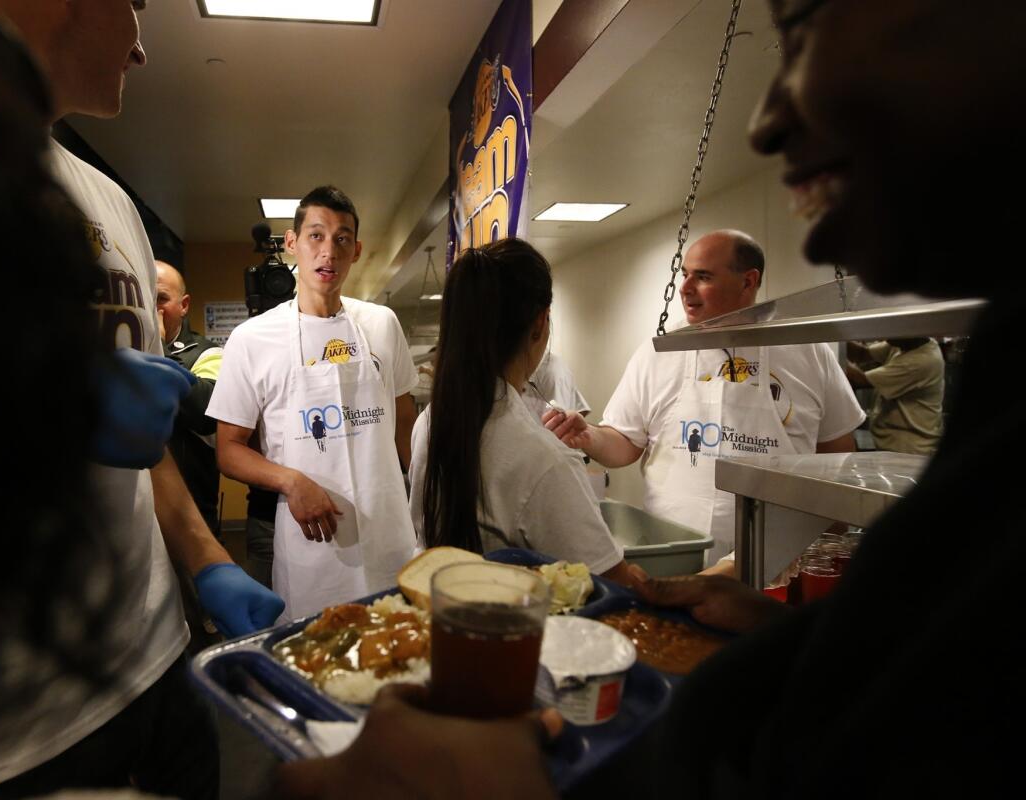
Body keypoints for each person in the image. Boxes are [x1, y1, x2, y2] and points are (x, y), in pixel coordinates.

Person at [273, 0, 1025, 796]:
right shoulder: (999, 378)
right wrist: (783, 630)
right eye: (686, 276)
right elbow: (624, 445)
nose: (767, 121)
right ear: (537, 328)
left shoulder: (831, 358)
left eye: (802, 28)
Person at [0, 0, 282, 796]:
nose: (141, 48)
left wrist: (206, 562)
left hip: (154, 664)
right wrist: (38, 410)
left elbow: (143, 446)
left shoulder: (109, 204)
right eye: (136, 5)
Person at [543, 229, 864, 569]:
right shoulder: (659, 352)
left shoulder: (807, 350)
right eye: (684, 275)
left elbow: (837, 455)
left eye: (703, 276)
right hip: (674, 552)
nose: (685, 288)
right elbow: (625, 442)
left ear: (748, 281)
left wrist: (834, 545)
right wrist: (588, 435)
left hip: (777, 561)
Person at [210, 186, 419, 621]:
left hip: (389, 532)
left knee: (395, 652)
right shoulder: (251, 339)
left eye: (342, 239)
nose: (329, 252)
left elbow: (403, 420)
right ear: (292, 243)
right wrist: (289, 480)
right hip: (313, 542)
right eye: (316, 236)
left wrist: (423, 496)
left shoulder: (381, 324)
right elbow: (228, 448)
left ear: (357, 250)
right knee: (315, 654)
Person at [408, 239, 631, 583]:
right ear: (540, 323)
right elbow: (612, 584)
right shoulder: (542, 459)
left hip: (439, 613)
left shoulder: (430, 421)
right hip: (513, 630)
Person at [156, 260, 225, 533]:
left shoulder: (208, 354)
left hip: (189, 516)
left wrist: (157, 347)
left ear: (184, 305)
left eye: (161, 298)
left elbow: (206, 412)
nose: (152, 308)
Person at [846, 338, 944, 454]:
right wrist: (837, 336)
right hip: (895, 443)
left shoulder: (921, 360)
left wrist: (831, 357)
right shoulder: (902, 342)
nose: (885, 336)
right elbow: (862, 354)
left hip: (910, 447)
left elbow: (860, 380)